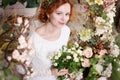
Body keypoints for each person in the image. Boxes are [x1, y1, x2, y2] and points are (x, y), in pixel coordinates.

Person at [25, 0, 74, 80]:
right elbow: (23, 69)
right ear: (48, 13)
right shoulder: (34, 39)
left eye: (67, 14)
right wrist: (50, 72)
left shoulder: (65, 31)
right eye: (59, 13)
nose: (64, 18)